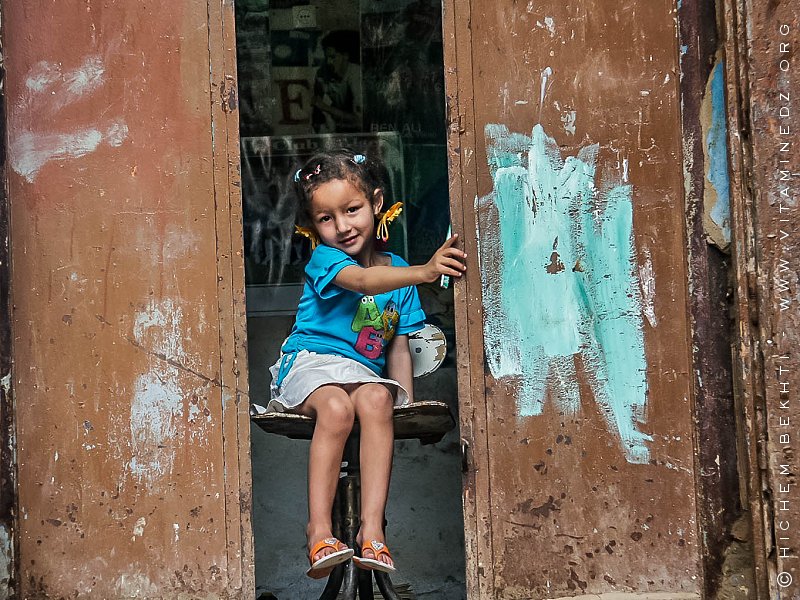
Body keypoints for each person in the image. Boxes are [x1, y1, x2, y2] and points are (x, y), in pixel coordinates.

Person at [267, 149, 466, 579]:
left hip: (360, 375)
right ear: (313, 226)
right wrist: (425, 271)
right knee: (337, 408)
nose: (342, 226)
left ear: (376, 203)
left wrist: (406, 406)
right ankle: (319, 532)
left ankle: (372, 531)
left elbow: (398, 348)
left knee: (378, 399)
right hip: (311, 364)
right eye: (326, 218)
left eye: (352, 210)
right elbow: (361, 281)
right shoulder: (326, 259)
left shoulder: (397, 272)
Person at [311, 30, 362, 133]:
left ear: (345, 56)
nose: (329, 62)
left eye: (333, 57)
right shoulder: (322, 73)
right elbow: (317, 102)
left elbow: (359, 121)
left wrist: (326, 108)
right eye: (326, 58)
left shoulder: (356, 75)